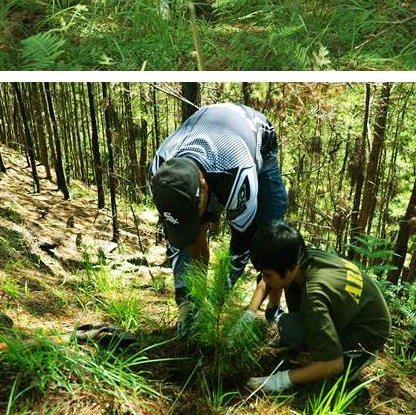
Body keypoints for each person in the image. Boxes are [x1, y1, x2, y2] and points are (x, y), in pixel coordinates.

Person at [149, 103, 290, 336]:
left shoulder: (238, 174)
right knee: (192, 237)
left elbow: (242, 246)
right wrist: (186, 301)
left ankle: (272, 308)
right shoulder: (159, 174)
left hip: (254, 138)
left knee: (272, 230)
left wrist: (217, 302)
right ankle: (193, 307)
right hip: (205, 141)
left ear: (204, 189)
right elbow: (177, 242)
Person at [245, 221, 390, 395]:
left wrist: (280, 380)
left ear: (289, 267)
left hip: (367, 332)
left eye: (268, 274)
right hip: (360, 313)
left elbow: (333, 363)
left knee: (290, 328)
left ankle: (355, 357)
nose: (265, 279)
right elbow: (268, 279)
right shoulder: (303, 258)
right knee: (290, 291)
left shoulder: (314, 295)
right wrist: (249, 313)